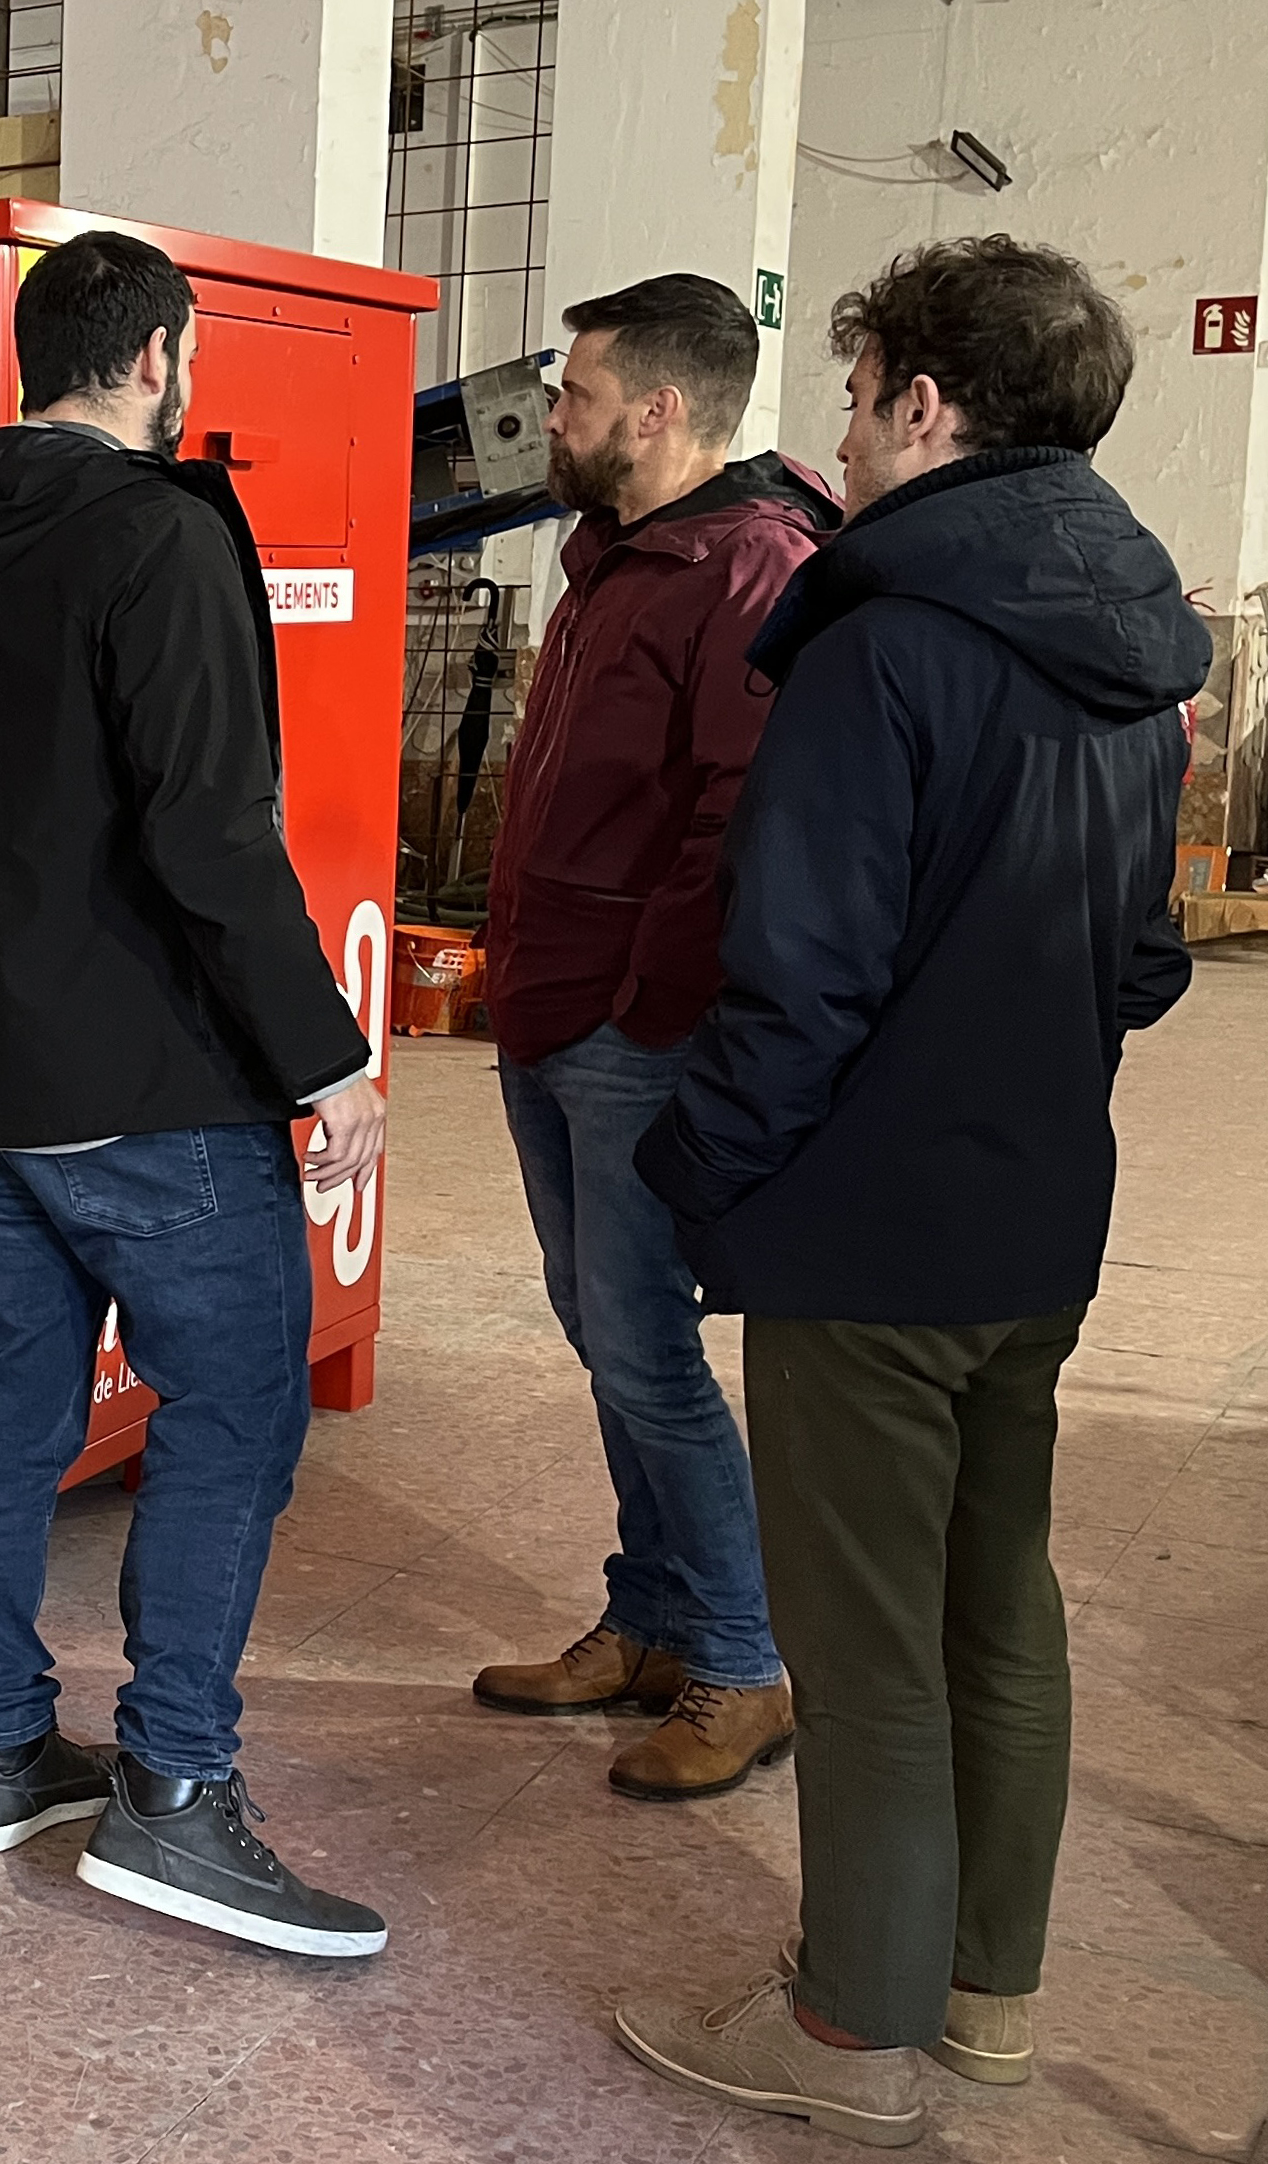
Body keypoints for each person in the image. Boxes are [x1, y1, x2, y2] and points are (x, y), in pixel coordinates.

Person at [612, 237, 1203, 2146]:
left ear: (925, 407)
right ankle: (986, 2007)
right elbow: (1144, 960)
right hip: (1040, 1221)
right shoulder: (1133, 646)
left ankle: (851, 2036)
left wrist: (693, 1172)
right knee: (995, 1617)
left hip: (868, 1235)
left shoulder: (880, 644)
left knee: (864, 1650)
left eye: (858, 399)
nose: (841, 441)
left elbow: (798, 977)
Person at [0, 230, 390, 1957]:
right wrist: (326, 1058)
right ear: (156, 357)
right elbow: (211, 835)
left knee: (12, 1397)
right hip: (142, 1078)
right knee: (236, 1409)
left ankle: (0, 1749)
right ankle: (173, 1796)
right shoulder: (156, 535)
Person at [468, 275, 838, 1801]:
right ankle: (652, 1622)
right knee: (601, 1330)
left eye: (577, 392)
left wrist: (644, 999)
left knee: (645, 1345)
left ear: (661, 410)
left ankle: (746, 1666)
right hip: (550, 1008)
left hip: (626, 1026)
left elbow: (735, 817)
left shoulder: (749, 562)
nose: (553, 416)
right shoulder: (620, 551)